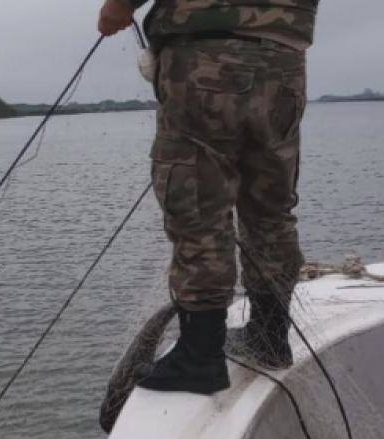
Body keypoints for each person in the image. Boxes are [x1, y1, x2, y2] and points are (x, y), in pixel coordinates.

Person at [98, 0, 319, 393]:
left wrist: (117, 8)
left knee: (197, 204)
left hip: (206, 54)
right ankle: (269, 336)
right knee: (270, 206)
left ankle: (200, 356)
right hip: (285, 60)